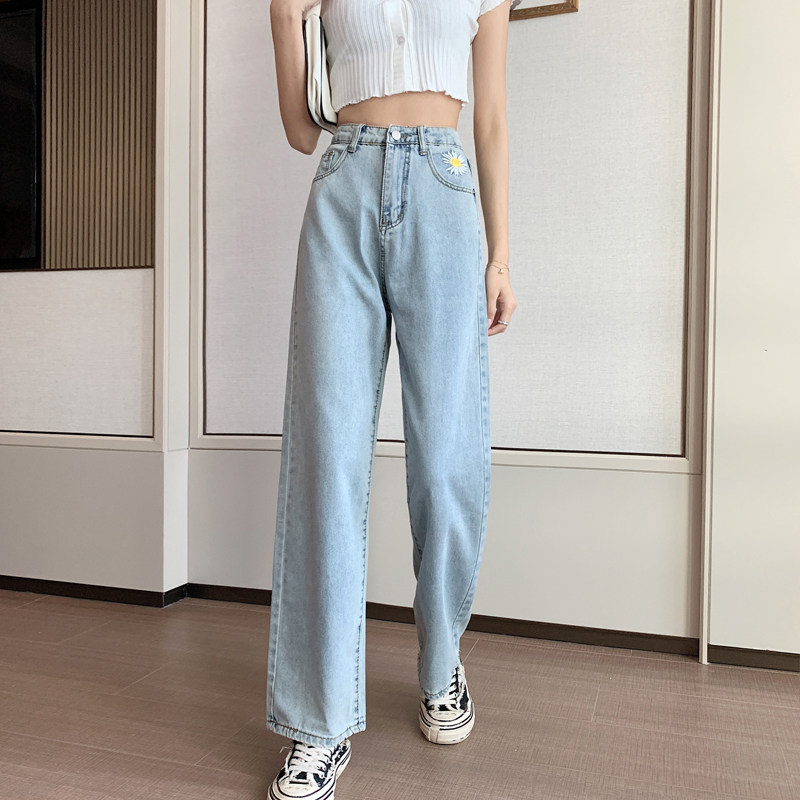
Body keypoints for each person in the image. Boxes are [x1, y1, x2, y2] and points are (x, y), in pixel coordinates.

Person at [266, 0, 520, 797]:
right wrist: (284, 18)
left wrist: (501, 254)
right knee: (328, 460)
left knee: (445, 461)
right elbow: (301, 130)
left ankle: (441, 663)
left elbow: (491, 118)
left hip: (445, 190)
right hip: (343, 183)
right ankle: (318, 722)